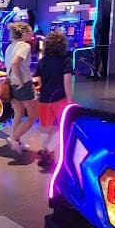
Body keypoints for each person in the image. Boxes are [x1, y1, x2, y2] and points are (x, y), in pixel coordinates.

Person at [34, 32, 74, 169]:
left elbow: (38, 81)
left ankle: (45, 150)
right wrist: (69, 101)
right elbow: (67, 81)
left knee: (46, 128)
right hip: (59, 99)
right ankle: (52, 152)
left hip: (44, 100)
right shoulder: (66, 60)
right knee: (61, 128)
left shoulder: (42, 61)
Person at [4, 22, 38, 153]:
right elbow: (15, 63)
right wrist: (21, 82)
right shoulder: (25, 46)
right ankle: (15, 138)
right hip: (22, 84)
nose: (32, 34)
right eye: (30, 31)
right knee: (32, 116)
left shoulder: (10, 46)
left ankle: (16, 141)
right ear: (23, 33)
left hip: (11, 83)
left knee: (18, 113)